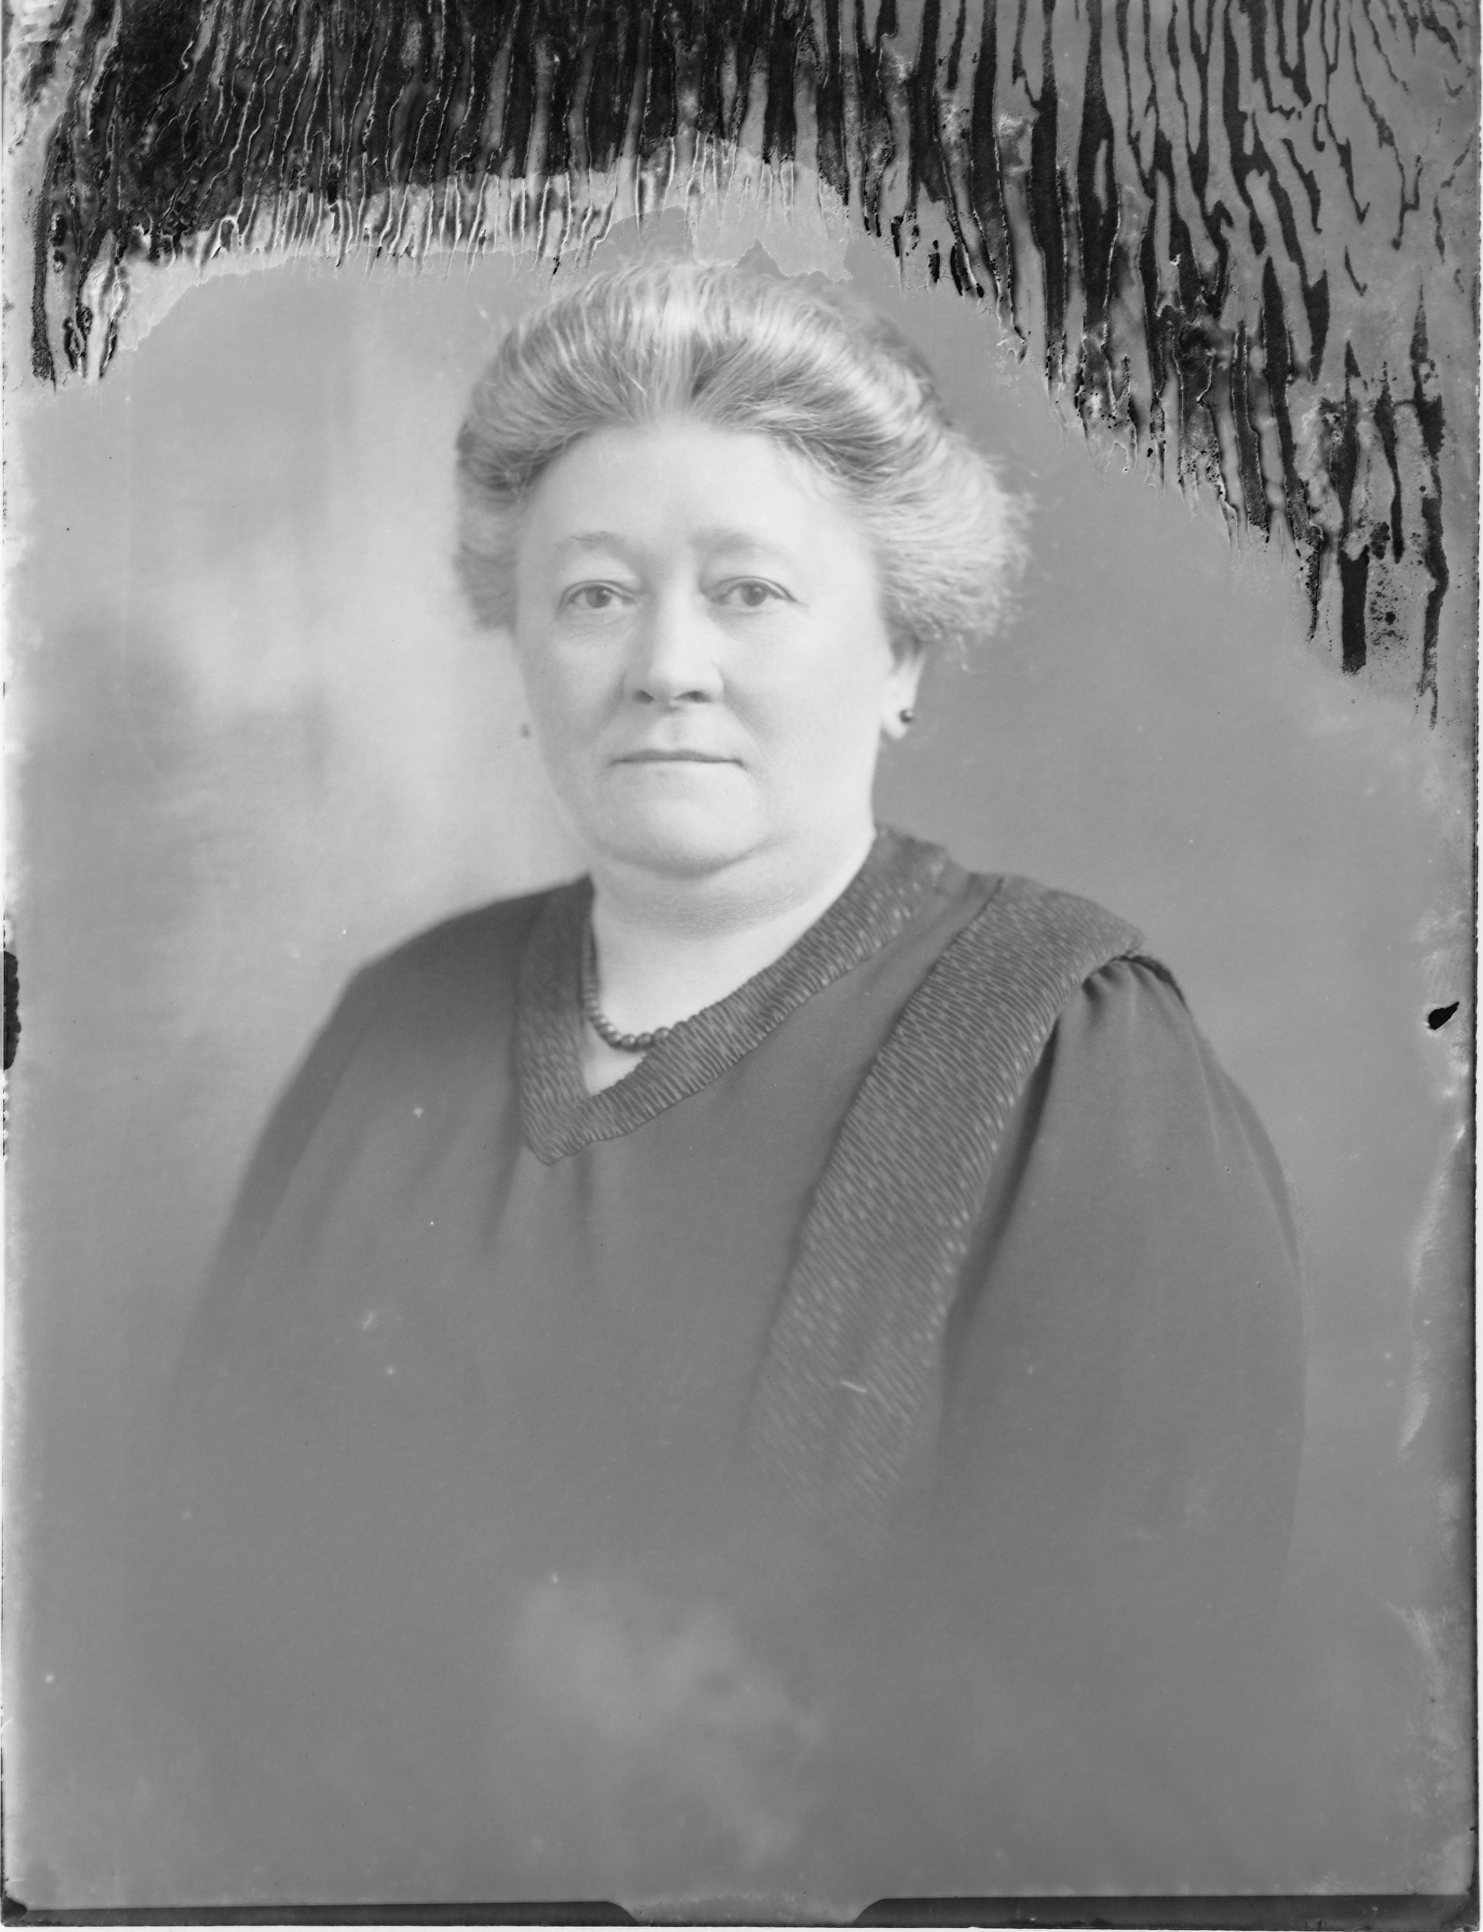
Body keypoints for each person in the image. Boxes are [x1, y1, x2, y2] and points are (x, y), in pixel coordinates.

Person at [146, 261, 1305, 1912]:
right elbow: (197, 1651)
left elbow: (1129, 1789)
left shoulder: (1068, 1056)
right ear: (523, 645)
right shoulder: (396, 1030)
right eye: (594, 595)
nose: (664, 663)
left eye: (748, 591)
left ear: (904, 649)